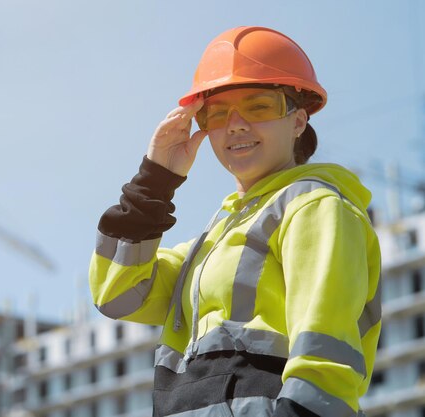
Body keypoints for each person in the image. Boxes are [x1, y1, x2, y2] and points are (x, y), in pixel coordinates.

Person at [89, 26, 381, 417]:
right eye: (218, 113)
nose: (236, 124)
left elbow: (324, 352)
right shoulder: (212, 244)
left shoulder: (315, 206)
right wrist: (154, 181)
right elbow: (117, 295)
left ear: (298, 120)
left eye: (259, 106)